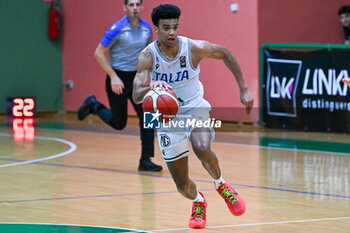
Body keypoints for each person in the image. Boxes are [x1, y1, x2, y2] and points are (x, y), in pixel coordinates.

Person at [133, 4, 254, 229]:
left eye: (175, 27)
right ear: (156, 29)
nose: (172, 32)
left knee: (201, 147)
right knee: (182, 186)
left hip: (194, 108)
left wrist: (244, 88)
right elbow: (136, 94)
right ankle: (199, 201)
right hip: (167, 119)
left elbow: (226, 52)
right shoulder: (147, 56)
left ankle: (221, 185)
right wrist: (152, 88)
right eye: (166, 28)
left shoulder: (193, 48)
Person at [77, 0, 162, 172]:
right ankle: (94, 105)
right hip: (118, 78)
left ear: (142, 7)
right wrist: (113, 76)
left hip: (137, 77)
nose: (135, 8)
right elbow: (99, 53)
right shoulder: (117, 28)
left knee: (148, 117)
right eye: (131, 5)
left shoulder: (146, 28)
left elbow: (147, 54)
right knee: (119, 123)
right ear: (125, 7)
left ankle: (145, 160)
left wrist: (150, 77)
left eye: (138, 4)